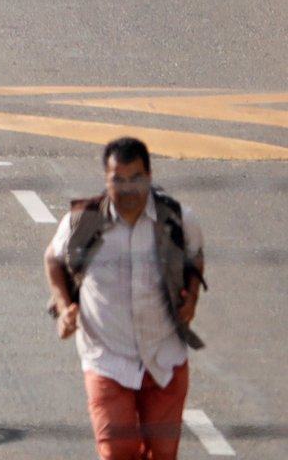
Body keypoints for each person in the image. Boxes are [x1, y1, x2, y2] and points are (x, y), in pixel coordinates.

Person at [46, 136, 205, 460]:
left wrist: (191, 302)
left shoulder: (177, 219)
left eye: (136, 178)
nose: (128, 188)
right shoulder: (83, 222)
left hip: (165, 357)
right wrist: (63, 308)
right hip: (106, 360)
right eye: (118, 179)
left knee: (162, 452)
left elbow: (195, 255)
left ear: (149, 175)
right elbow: (53, 259)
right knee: (117, 450)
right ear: (106, 179)